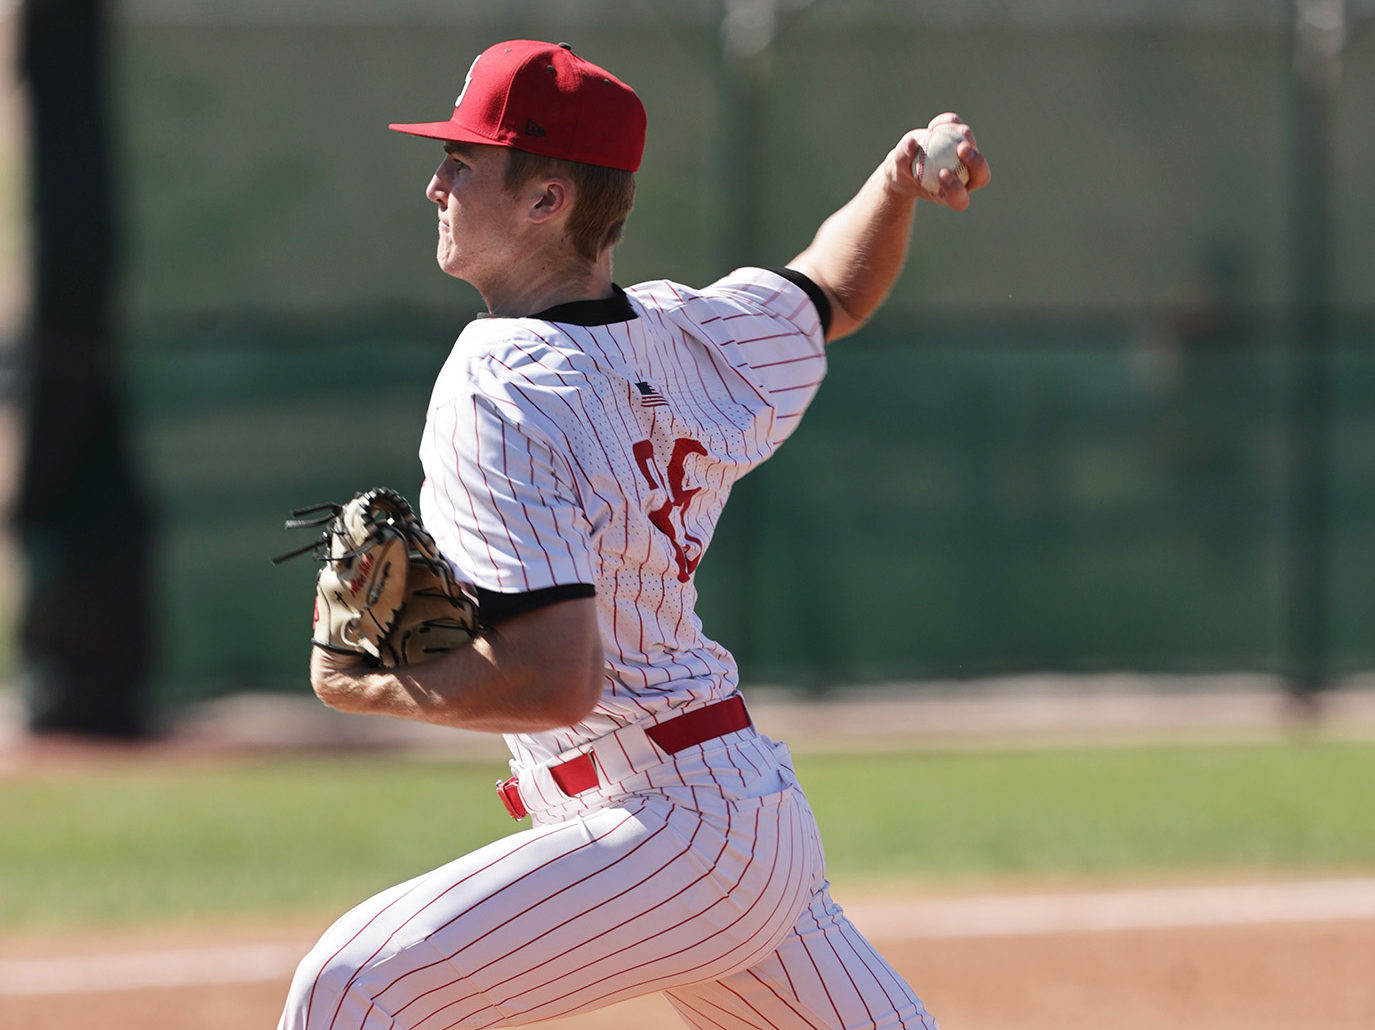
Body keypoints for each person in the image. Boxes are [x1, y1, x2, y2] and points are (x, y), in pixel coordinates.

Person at [279, 38, 988, 1030]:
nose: (435, 182)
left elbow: (555, 678)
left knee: (354, 987)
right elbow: (836, 286)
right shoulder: (687, 333)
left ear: (546, 199)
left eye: (464, 162)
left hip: (662, 826)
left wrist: (366, 677)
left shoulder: (503, 382)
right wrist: (895, 182)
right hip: (733, 814)